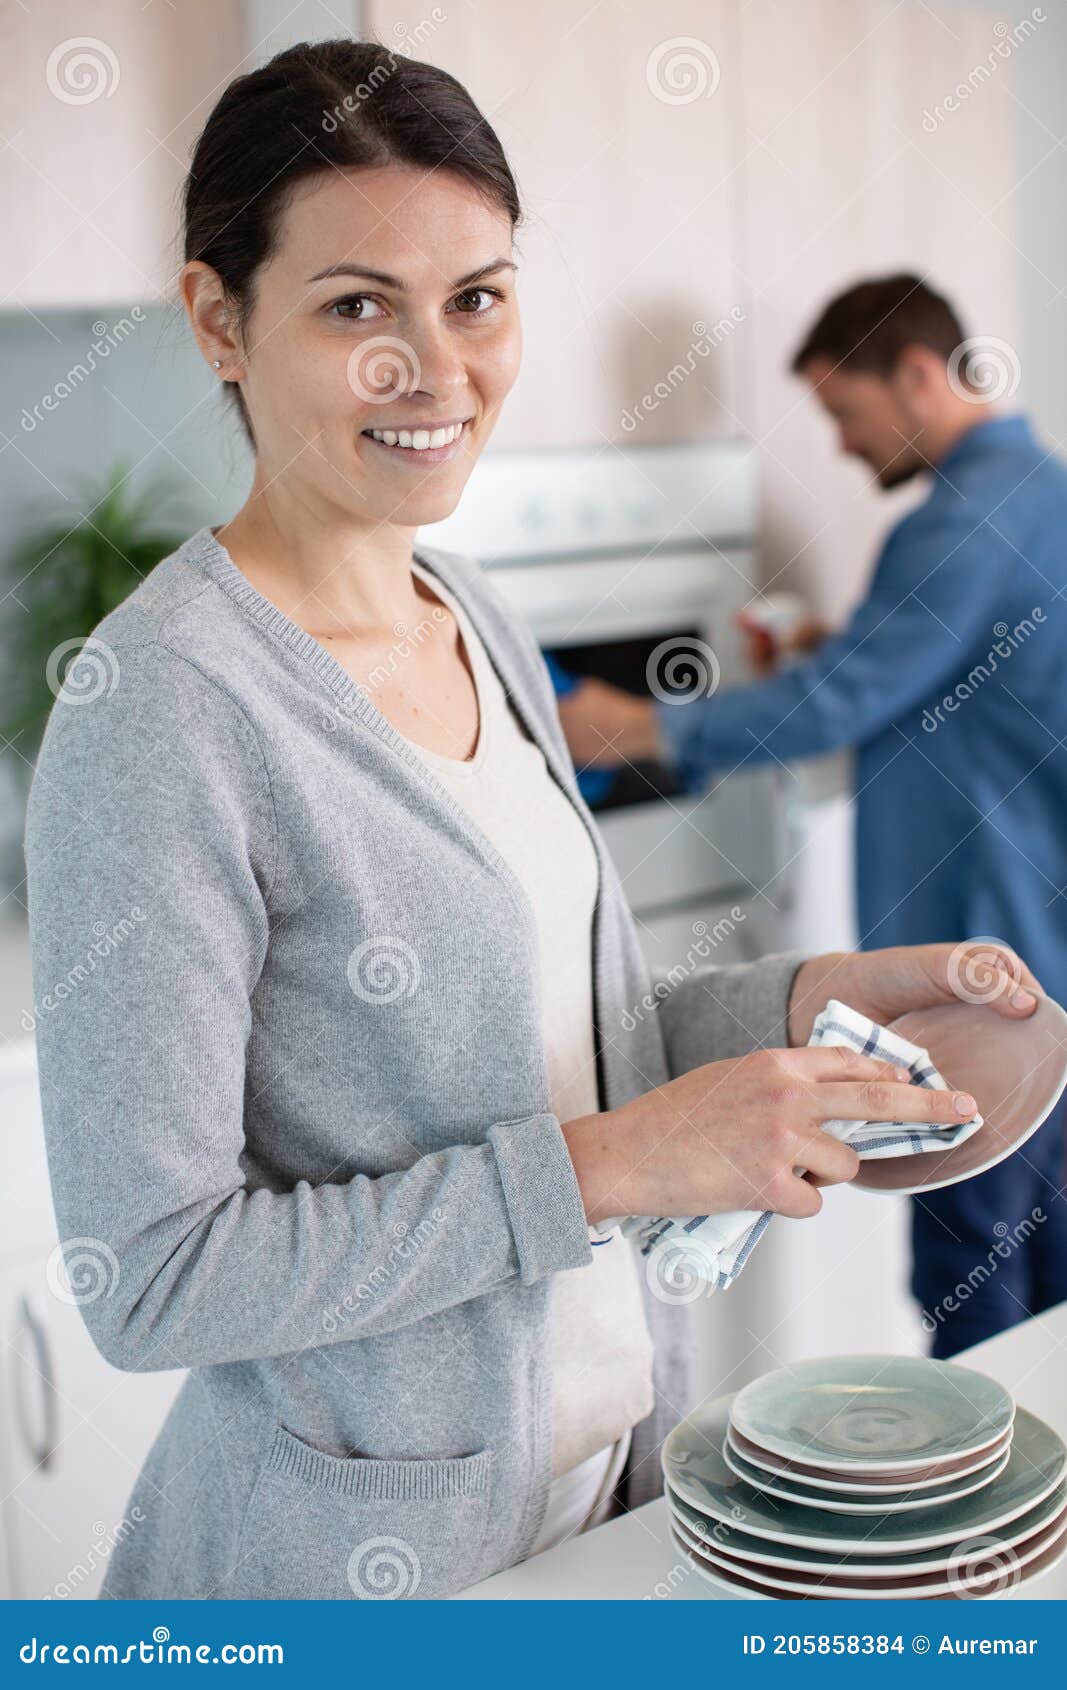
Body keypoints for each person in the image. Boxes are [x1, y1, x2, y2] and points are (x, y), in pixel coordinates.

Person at [22, 55, 1039, 1601]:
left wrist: (812, 1001)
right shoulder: (162, 710)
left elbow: (569, 1034)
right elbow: (152, 1275)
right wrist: (617, 1164)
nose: (435, 369)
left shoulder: (471, 611)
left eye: (478, 298)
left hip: (604, 1497)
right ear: (219, 319)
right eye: (358, 306)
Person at [559, 274, 1067, 1359]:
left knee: (967, 1259)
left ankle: (979, 1515)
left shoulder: (957, 523)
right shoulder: (1039, 492)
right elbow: (930, 674)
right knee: (1045, 1259)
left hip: (990, 962)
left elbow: (842, 700)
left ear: (918, 375)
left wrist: (633, 726)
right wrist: (835, 650)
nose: (839, 445)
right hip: (1043, 951)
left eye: (844, 411)